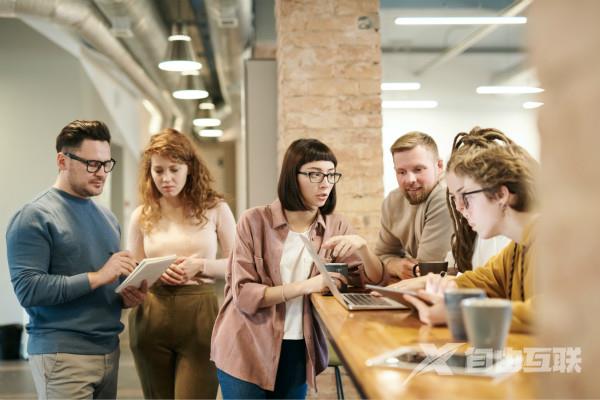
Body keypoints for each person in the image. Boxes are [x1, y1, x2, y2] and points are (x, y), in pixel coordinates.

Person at [210, 138, 384, 399]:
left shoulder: (336, 226)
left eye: (330, 174)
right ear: (293, 176)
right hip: (246, 345)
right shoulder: (254, 221)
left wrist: (363, 248)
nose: (325, 183)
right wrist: (307, 286)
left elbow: (373, 281)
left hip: (299, 348)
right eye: (314, 174)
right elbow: (244, 295)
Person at [6, 120, 146, 399]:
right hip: (62, 355)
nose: (102, 173)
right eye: (92, 164)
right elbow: (29, 290)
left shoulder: (107, 218)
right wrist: (99, 277)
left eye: (107, 164)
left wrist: (124, 297)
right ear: (62, 160)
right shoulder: (34, 216)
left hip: (108, 349)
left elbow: (99, 287)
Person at [127, 128, 236, 399]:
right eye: (159, 170)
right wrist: (155, 273)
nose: (166, 178)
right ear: (149, 172)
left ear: (189, 168)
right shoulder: (141, 214)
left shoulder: (215, 208)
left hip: (200, 313)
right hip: (151, 313)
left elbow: (240, 264)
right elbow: (132, 271)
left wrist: (201, 266)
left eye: (174, 169)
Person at [399, 127, 539, 333]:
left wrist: (460, 313)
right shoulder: (518, 247)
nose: (459, 208)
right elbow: (480, 281)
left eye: (465, 196)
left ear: (501, 194)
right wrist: (411, 288)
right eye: (454, 198)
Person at [375, 131, 453, 281]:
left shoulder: (446, 197)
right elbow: (381, 255)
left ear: (439, 166)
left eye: (418, 169)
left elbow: (426, 270)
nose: (410, 179)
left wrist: (392, 264)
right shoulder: (393, 200)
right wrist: (396, 265)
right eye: (402, 172)